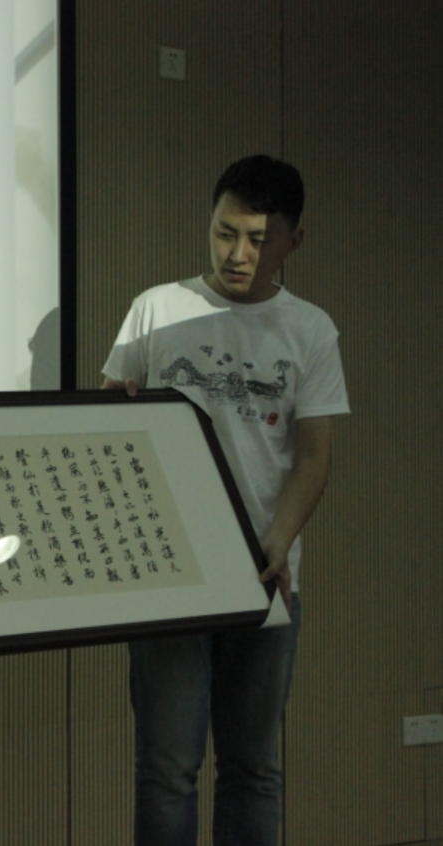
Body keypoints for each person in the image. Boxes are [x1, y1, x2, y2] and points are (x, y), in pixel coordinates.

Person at [101, 155, 350, 845]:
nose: (238, 254)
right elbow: (111, 423)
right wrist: (115, 406)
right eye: (224, 233)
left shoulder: (310, 329)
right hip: (171, 571)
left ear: (294, 241)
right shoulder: (157, 309)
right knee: (167, 769)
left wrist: (280, 539)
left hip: (265, 573)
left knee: (253, 769)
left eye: (258, 239)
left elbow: (314, 453)